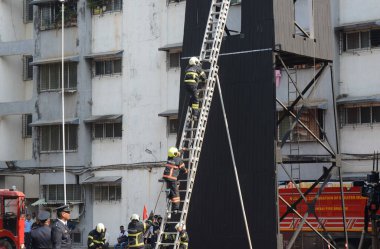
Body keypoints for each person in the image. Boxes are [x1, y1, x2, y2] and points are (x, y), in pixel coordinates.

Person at [163, 147, 188, 215]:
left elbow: (176, 154)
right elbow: (182, 168)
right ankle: (176, 208)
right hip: (172, 178)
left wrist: (182, 150)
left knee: (172, 187)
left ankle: (169, 194)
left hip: (166, 177)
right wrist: (186, 171)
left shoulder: (169, 158)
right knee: (175, 192)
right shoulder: (179, 160)